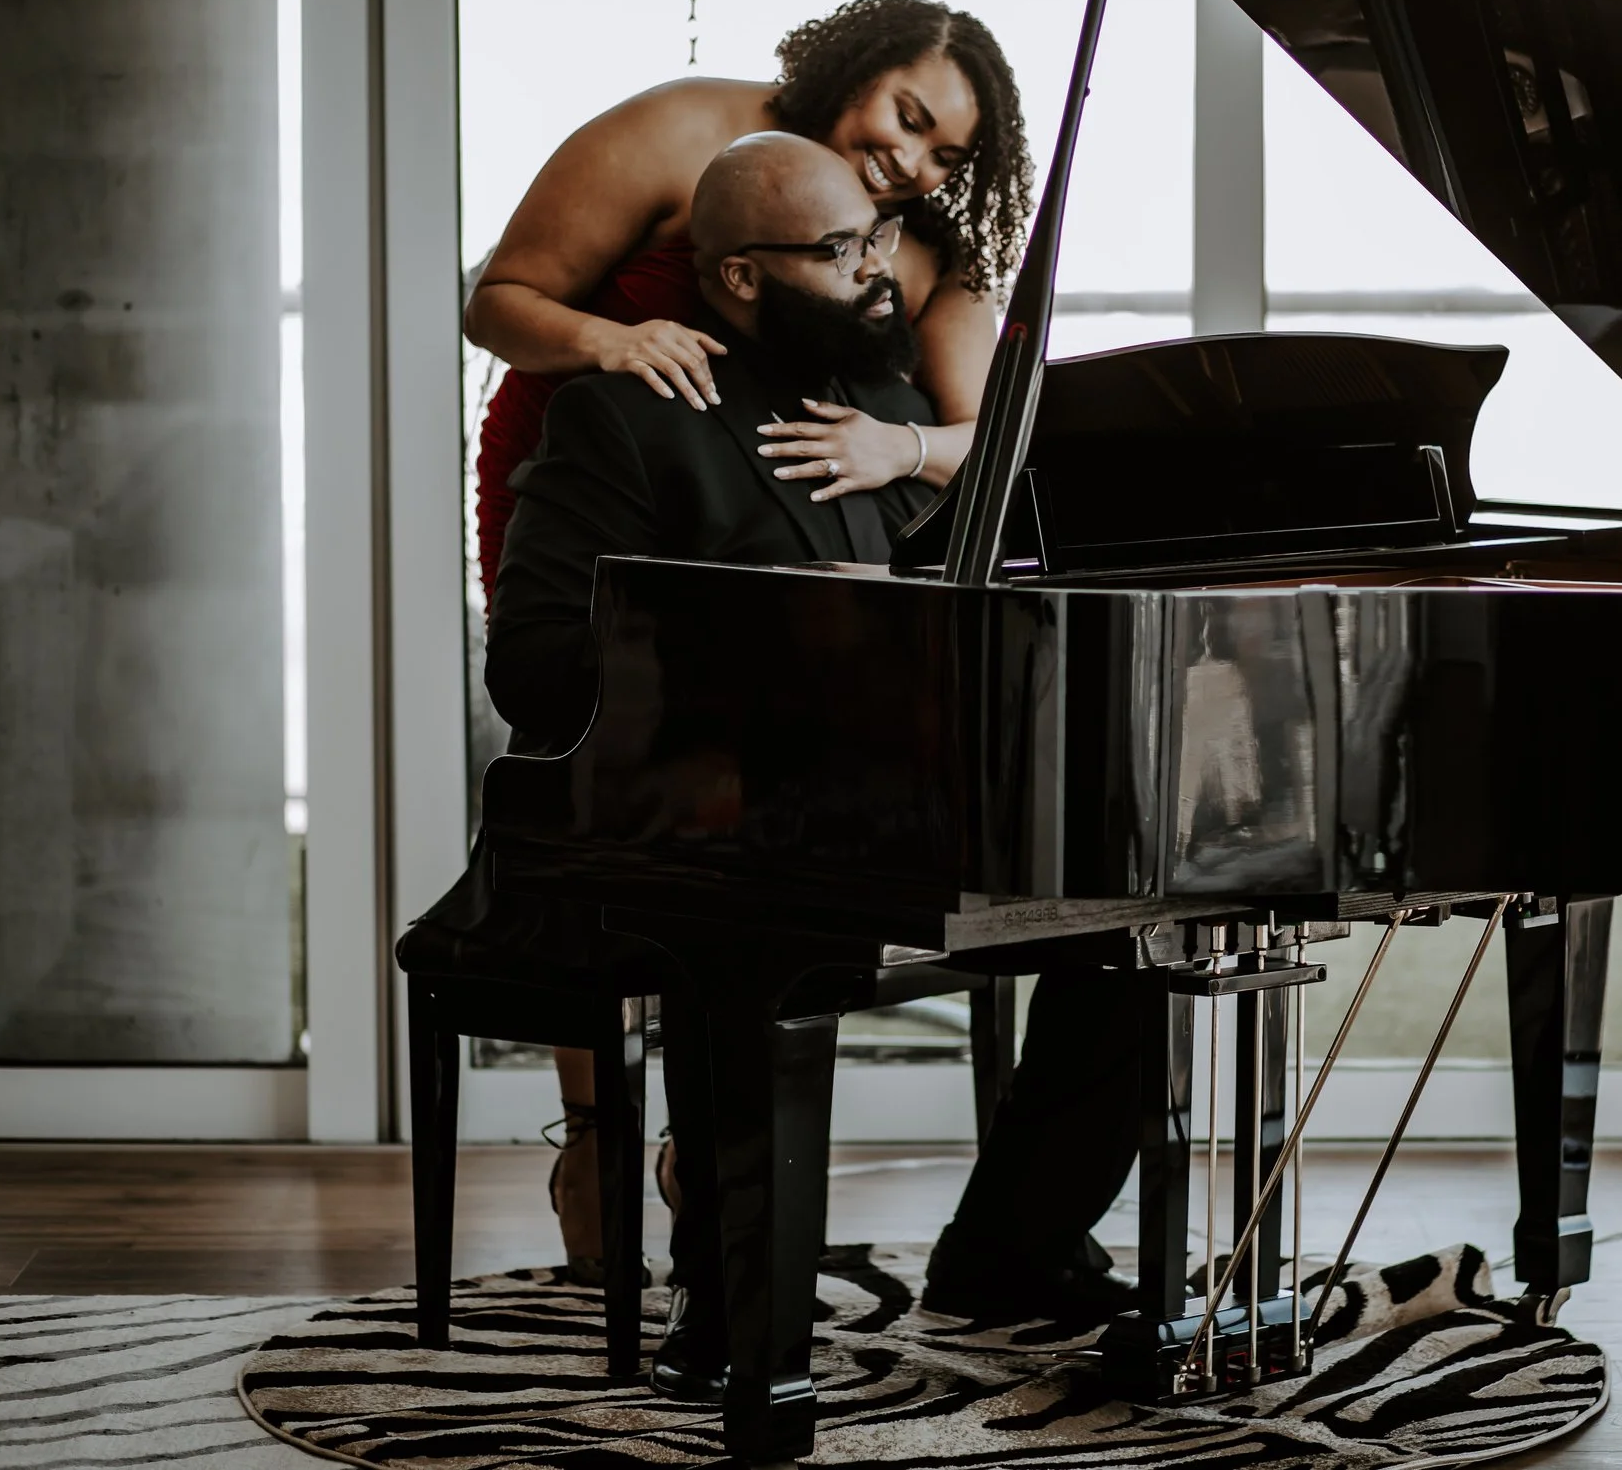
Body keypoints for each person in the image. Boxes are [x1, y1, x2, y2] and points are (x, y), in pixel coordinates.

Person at [488, 133, 1139, 1401]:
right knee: (747, 932)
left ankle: (1009, 1255)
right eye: (840, 251)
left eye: (877, 240)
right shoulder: (620, 419)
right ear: (738, 275)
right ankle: (729, 1305)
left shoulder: (891, 419)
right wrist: (786, 621)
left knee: (1139, 919)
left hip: (911, 816)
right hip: (714, 826)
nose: (877, 271)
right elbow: (535, 670)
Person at [466, 0, 1034, 1274]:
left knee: (758, 775)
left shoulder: (923, 247)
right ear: (852, 68)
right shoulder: (681, 130)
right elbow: (499, 300)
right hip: (602, 452)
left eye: (950, 155)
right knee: (591, 751)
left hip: (777, 521)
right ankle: (600, 1130)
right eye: (907, 116)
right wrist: (617, 340)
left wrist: (902, 446)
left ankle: (714, 1139)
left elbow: (986, 437)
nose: (916, 164)